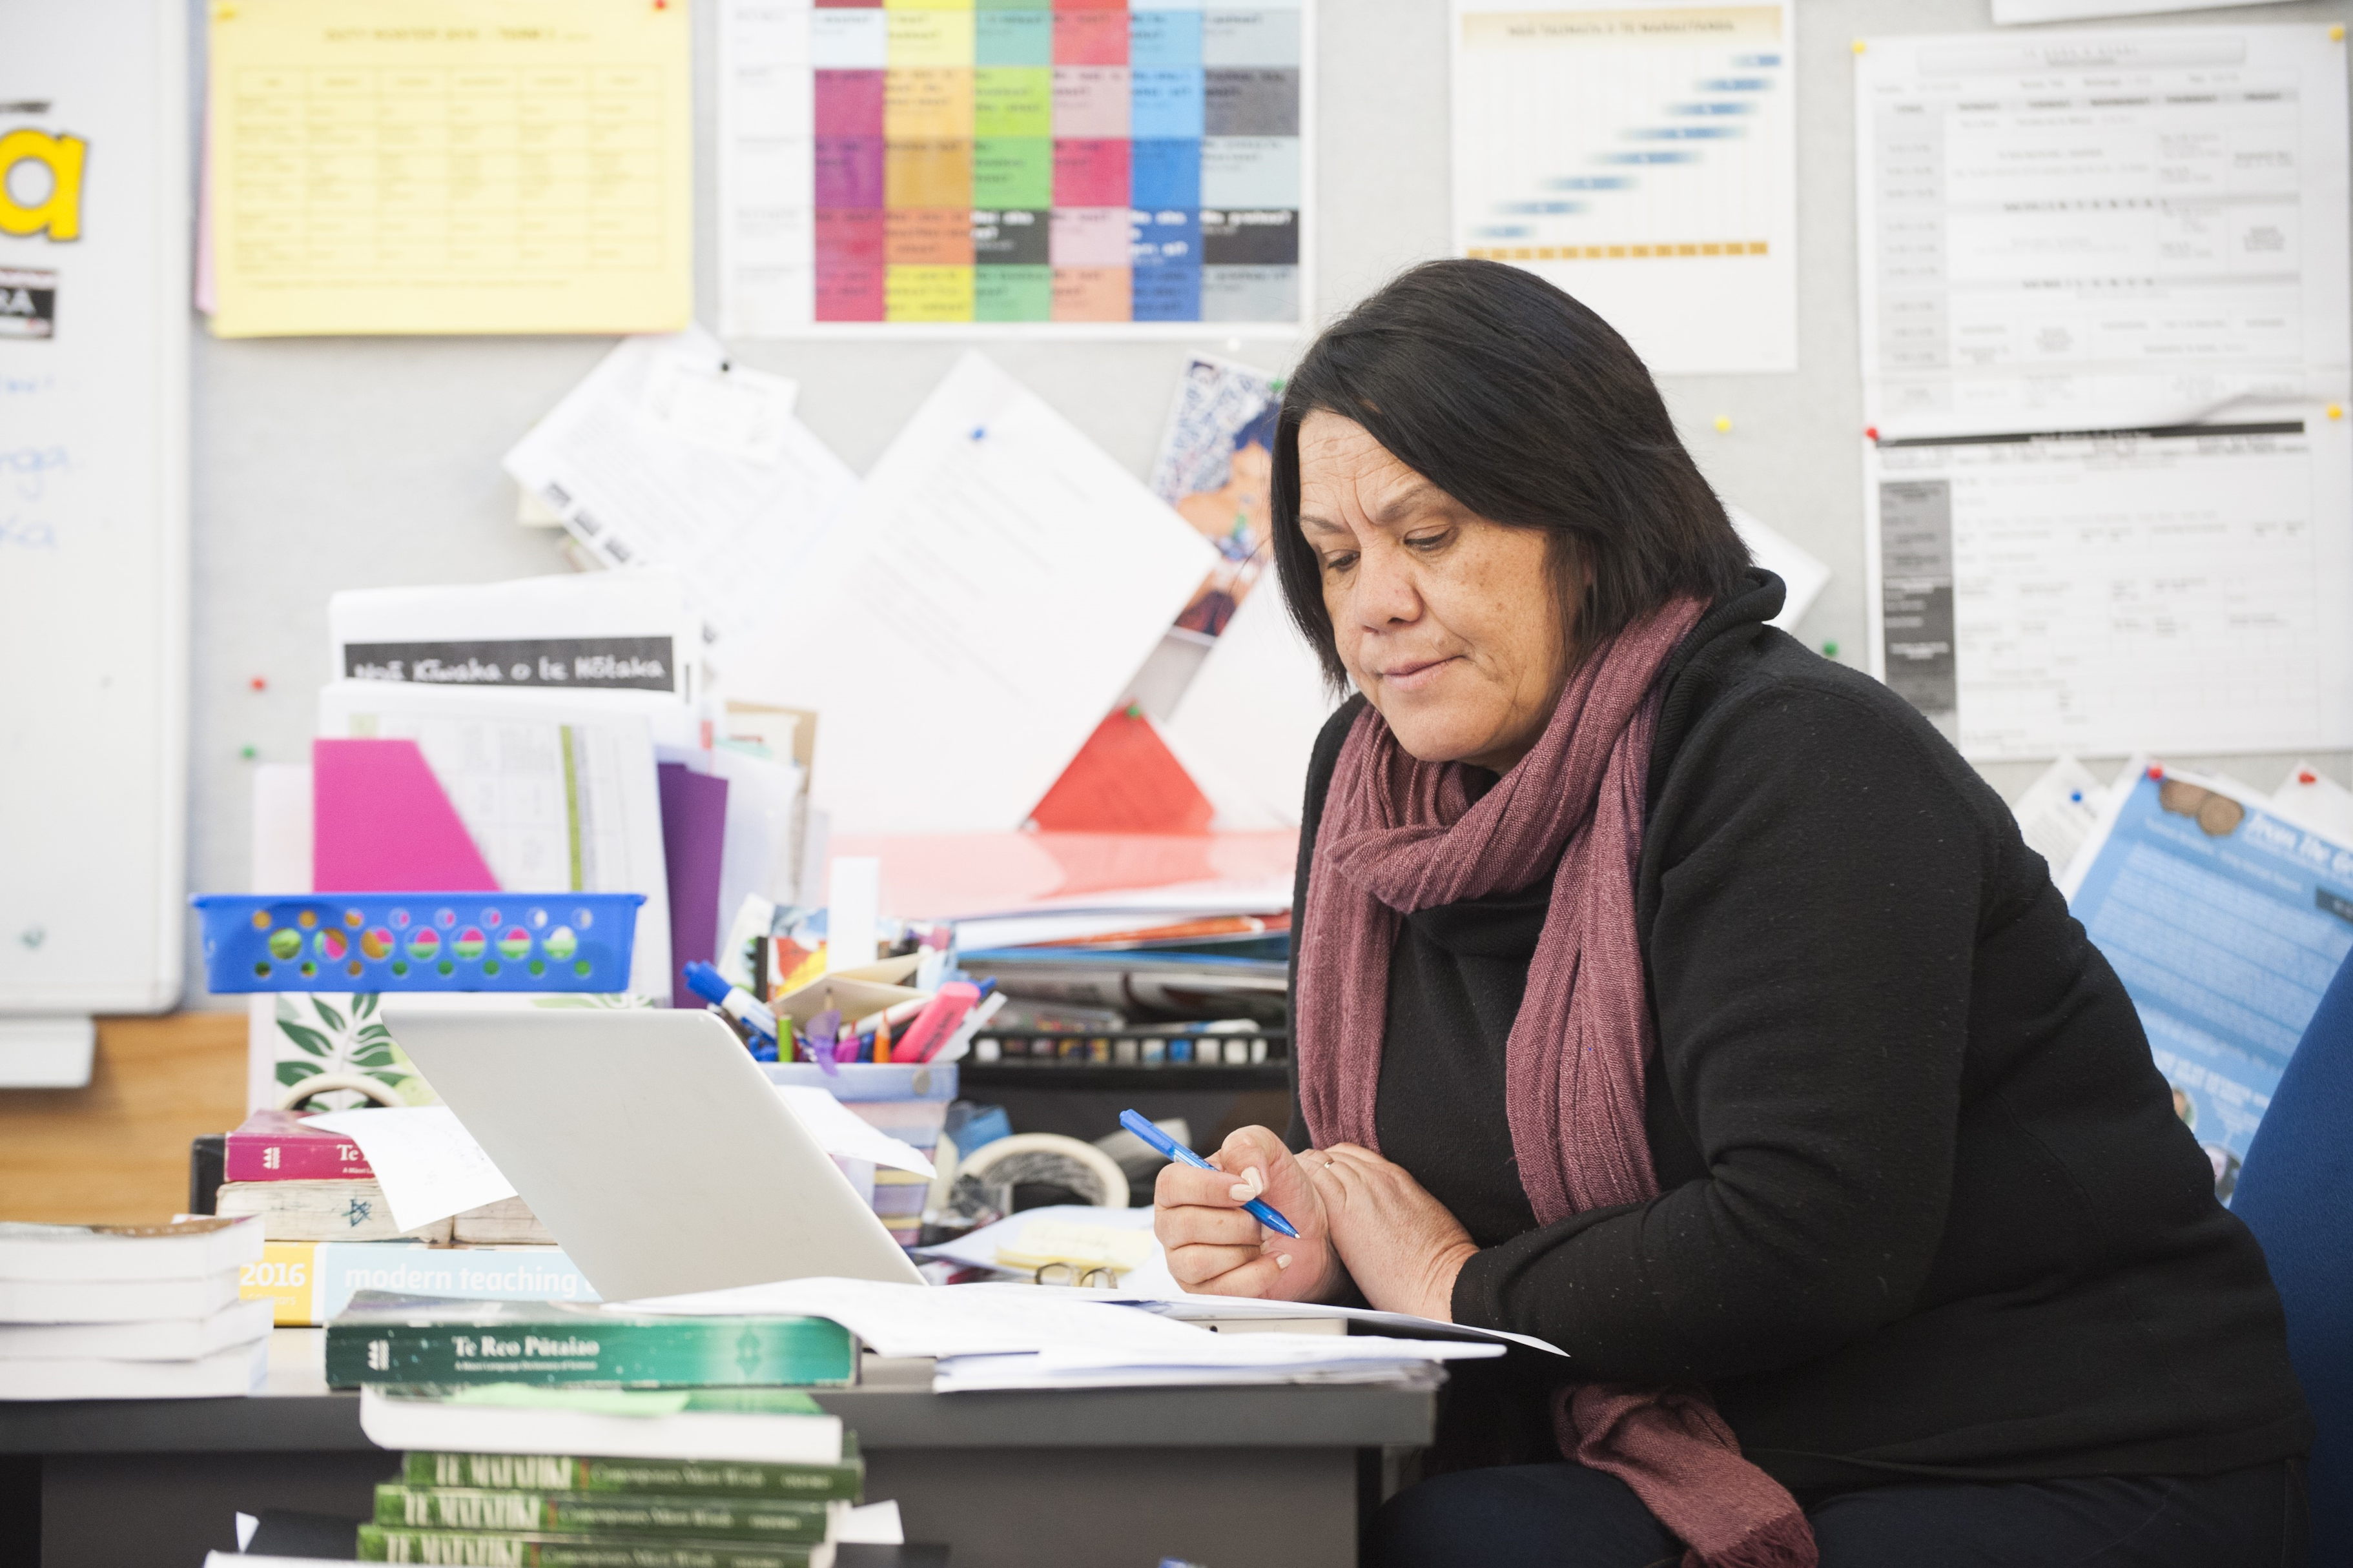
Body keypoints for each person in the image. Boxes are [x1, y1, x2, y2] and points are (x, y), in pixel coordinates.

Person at [1151, 260, 2312, 1568]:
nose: (1374, 603)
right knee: (1431, 1536)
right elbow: (1378, 1178)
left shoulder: (1796, 756)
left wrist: (1445, 1285)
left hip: (2051, 1450)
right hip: (1694, 1433)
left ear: (1589, 524)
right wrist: (1300, 1232)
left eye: (1428, 535)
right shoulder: (1374, 789)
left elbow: (1808, 1233)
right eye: (1333, 555)